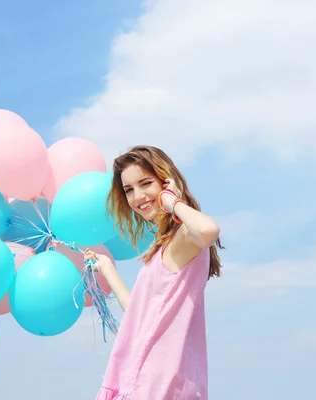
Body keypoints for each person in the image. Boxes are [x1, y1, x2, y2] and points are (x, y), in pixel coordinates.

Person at [84, 145, 224, 400]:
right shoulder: (165, 246)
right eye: (129, 190)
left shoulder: (184, 237)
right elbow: (141, 316)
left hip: (157, 383)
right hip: (144, 378)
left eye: (145, 183)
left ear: (166, 181)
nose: (137, 197)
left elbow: (208, 231)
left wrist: (172, 202)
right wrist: (107, 268)